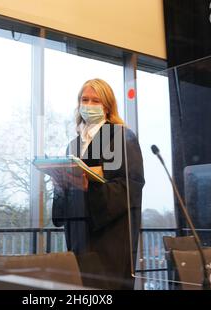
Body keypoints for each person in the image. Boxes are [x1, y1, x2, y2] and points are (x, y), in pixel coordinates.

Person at [51, 78, 144, 289]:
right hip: (77, 238)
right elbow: (68, 196)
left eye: (96, 100)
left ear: (107, 106)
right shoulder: (73, 146)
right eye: (85, 99)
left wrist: (88, 187)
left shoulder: (120, 136)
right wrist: (60, 187)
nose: (89, 105)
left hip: (109, 241)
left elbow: (131, 186)